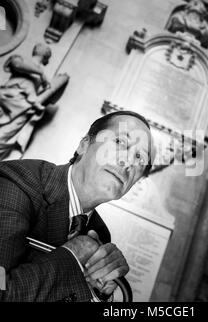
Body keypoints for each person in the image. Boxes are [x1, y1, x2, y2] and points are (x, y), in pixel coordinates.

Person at [0, 110, 155, 302]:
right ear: (84, 144)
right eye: (120, 142)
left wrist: (98, 293)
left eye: (140, 158)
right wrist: (73, 254)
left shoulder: (100, 234)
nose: (127, 162)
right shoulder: (17, 184)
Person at [0, 43, 52, 161]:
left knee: (4, 136)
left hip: (25, 107)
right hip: (9, 98)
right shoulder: (21, 59)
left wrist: (46, 89)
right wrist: (40, 72)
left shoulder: (42, 78)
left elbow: (37, 94)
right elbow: (16, 64)